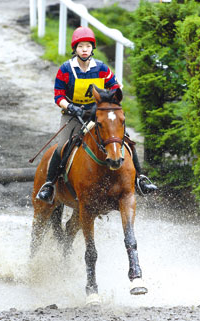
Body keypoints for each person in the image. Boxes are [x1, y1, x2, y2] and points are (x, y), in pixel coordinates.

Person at [37, 26, 157, 203]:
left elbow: (116, 88)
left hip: (97, 114)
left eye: (87, 46)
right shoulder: (65, 69)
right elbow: (58, 96)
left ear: (92, 48)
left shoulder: (101, 68)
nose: (84, 49)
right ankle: (49, 185)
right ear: (75, 49)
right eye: (80, 46)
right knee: (62, 146)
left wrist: (106, 103)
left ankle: (140, 179)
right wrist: (71, 107)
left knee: (126, 139)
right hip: (73, 115)